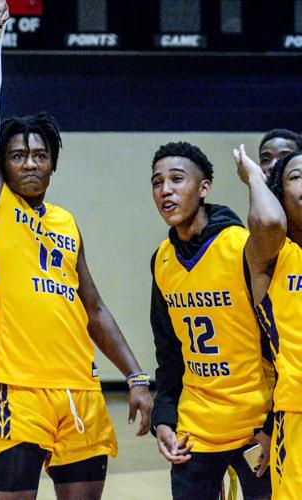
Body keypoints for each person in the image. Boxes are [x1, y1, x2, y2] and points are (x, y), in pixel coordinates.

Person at [0, 2, 152, 498]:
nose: (30, 163)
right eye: (18, 155)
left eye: (40, 155)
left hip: (81, 391)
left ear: (53, 165)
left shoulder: (67, 222)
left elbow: (93, 307)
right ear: (2, 166)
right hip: (17, 390)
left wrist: (134, 374)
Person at [149, 141, 273, 499]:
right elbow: (169, 352)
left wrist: (271, 423)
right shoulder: (162, 260)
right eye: (157, 182)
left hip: (253, 425)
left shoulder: (242, 247)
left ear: (204, 188)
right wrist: (164, 417)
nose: (165, 190)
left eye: (177, 179)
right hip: (195, 430)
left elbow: (276, 341)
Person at [235, 146, 302, 499]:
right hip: (297, 413)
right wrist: (256, 177)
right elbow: (270, 222)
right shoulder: (275, 254)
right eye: (296, 177)